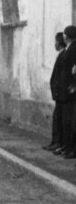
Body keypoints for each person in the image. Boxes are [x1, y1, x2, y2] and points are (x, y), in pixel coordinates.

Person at [44, 32, 67, 152]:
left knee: (59, 120)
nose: (55, 43)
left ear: (59, 42)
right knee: (57, 119)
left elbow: (61, 76)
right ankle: (55, 142)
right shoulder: (61, 55)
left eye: (56, 41)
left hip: (61, 95)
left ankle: (58, 143)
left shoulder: (64, 56)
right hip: (59, 94)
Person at [59, 26, 76, 160]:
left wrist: (73, 85)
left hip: (71, 91)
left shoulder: (73, 48)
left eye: (65, 34)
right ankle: (68, 147)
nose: (63, 37)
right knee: (67, 120)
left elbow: (73, 69)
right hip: (67, 90)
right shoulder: (69, 48)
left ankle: (71, 149)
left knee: (71, 121)